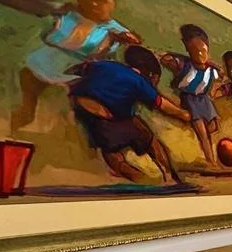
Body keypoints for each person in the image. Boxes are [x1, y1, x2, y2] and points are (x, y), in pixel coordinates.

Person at [0, 0, 141, 130]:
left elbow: (133, 52)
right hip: (39, 66)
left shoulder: (116, 31)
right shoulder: (66, 11)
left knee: (71, 118)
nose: (93, 3)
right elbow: (35, 4)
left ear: (111, 2)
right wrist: (8, 0)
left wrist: (128, 42)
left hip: (74, 78)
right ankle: (8, 131)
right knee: (26, 112)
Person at [69, 46, 189, 184]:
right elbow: (160, 103)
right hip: (113, 115)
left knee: (111, 151)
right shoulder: (139, 80)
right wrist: (182, 114)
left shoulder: (105, 65)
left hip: (87, 109)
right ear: (149, 73)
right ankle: (167, 176)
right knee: (150, 141)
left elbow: (81, 68)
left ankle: (139, 177)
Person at [160, 24, 221, 166]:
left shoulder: (211, 69)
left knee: (213, 126)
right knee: (202, 132)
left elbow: (220, 78)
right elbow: (164, 59)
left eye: (203, 50)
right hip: (190, 99)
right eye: (195, 51)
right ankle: (211, 161)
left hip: (204, 100)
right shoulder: (184, 65)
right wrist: (177, 59)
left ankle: (207, 151)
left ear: (208, 49)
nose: (200, 54)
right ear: (188, 50)